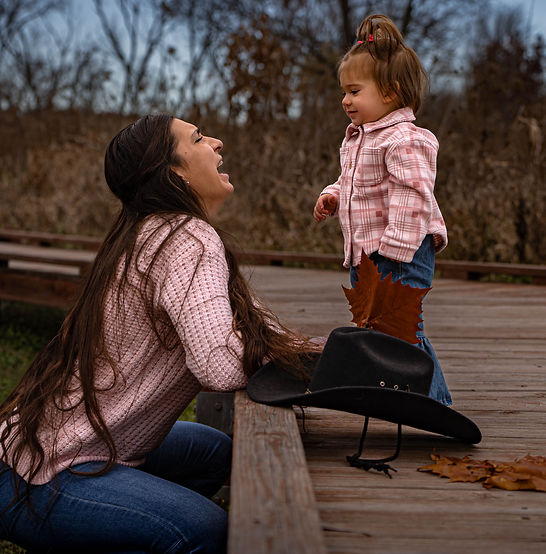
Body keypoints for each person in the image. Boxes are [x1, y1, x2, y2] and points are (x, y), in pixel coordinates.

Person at [0, 114, 312, 552]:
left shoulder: (149, 229)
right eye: (200, 139)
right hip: (41, 471)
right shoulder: (187, 237)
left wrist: (320, 353)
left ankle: (120, 522)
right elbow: (220, 365)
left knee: (214, 453)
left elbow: (258, 325)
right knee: (203, 530)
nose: (218, 143)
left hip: (53, 441)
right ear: (175, 172)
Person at [313, 14, 452, 406]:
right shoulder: (359, 139)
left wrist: (394, 251)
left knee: (403, 328)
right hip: (368, 255)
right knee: (383, 330)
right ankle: (403, 397)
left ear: (390, 93)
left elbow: (414, 195)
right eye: (344, 91)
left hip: (400, 253)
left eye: (355, 91)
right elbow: (352, 182)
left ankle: (434, 403)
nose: (345, 100)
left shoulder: (405, 139)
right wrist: (333, 195)